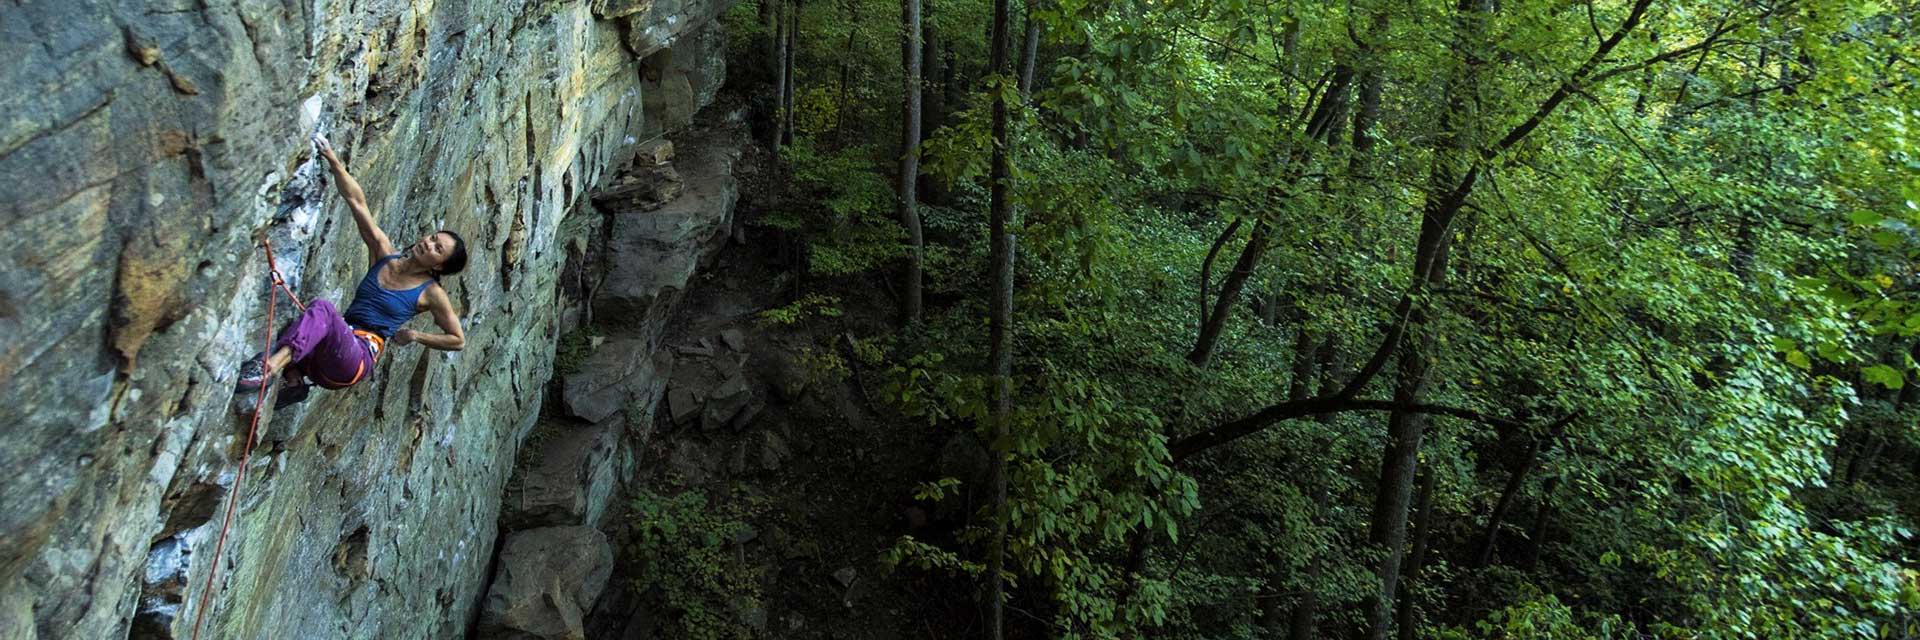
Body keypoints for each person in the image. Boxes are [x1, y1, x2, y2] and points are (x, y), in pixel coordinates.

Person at [236, 135, 468, 407]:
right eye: (432, 238)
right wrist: (334, 161)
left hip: (356, 359)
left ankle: (269, 369)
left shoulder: (432, 293)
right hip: (328, 355)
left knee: (322, 309)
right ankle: (295, 378)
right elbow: (357, 202)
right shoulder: (383, 253)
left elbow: (457, 340)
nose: (428, 244)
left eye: (437, 249)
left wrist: (416, 336)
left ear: (439, 265)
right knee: (297, 319)